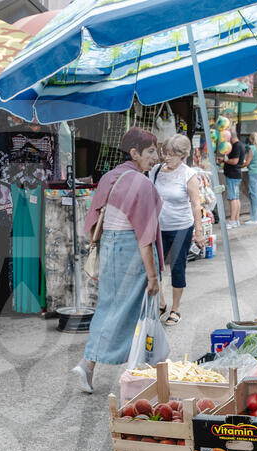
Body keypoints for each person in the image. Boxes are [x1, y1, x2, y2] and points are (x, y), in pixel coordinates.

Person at [72, 127, 163, 393]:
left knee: (109, 309)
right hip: (131, 250)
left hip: (110, 248)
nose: (156, 157)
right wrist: (153, 276)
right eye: (150, 151)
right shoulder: (142, 184)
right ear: (134, 153)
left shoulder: (109, 177)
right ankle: (136, 375)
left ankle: (88, 364)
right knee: (139, 314)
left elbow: (93, 221)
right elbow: (145, 236)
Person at [151, 133, 205, 327]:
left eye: (171, 154)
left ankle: (175, 308)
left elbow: (195, 204)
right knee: (155, 267)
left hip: (181, 227)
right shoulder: (156, 170)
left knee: (177, 267)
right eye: (165, 153)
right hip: (158, 228)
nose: (166, 157)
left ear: (182, 155)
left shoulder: (188, 174)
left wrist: (198, 232)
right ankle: (161, 303)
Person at [222, 129, 245, 229]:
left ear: (230, 137)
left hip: (232, 174)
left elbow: (235, 161)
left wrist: (225, 160)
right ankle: (236, 220)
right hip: (236, 174)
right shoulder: (241, 145)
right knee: (236, 198)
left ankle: (232, 221)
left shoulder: (236, 146)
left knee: (232, 199)